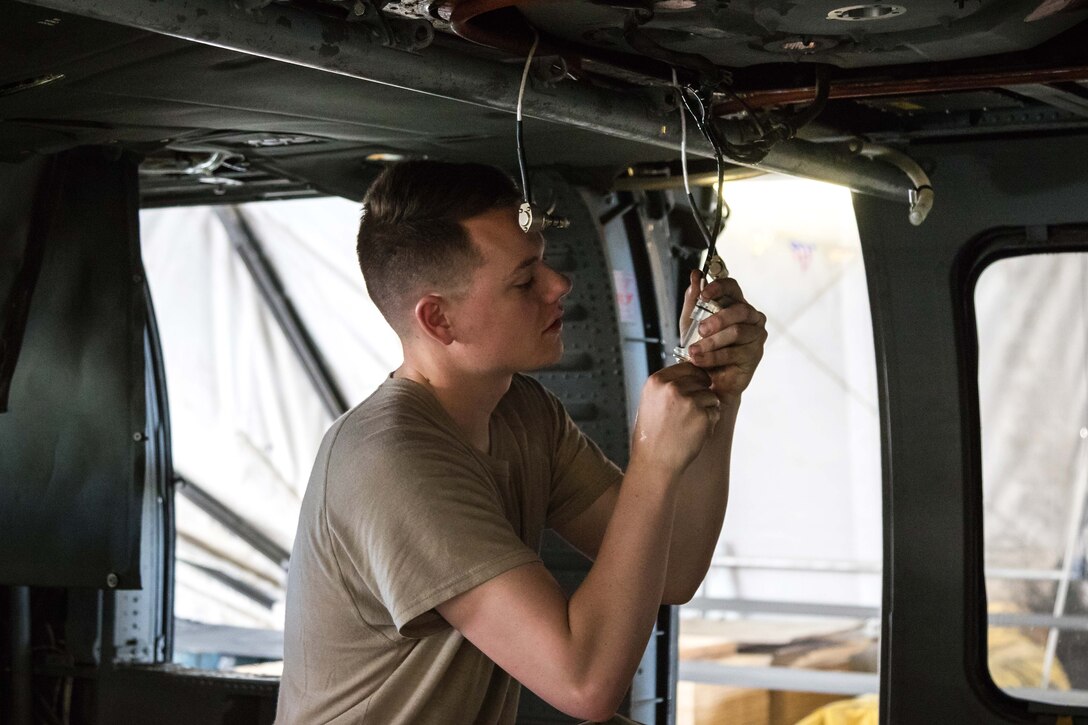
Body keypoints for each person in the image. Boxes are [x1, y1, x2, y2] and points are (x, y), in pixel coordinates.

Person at [275, 161, 767, 724]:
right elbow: (584, 683)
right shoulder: (393, 461)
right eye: (524, 279)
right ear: (439, 319)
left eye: (545, 264)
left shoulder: (525, 414)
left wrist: (717, 394)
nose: (559, 285)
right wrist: (653, 458)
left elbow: (675, 567)